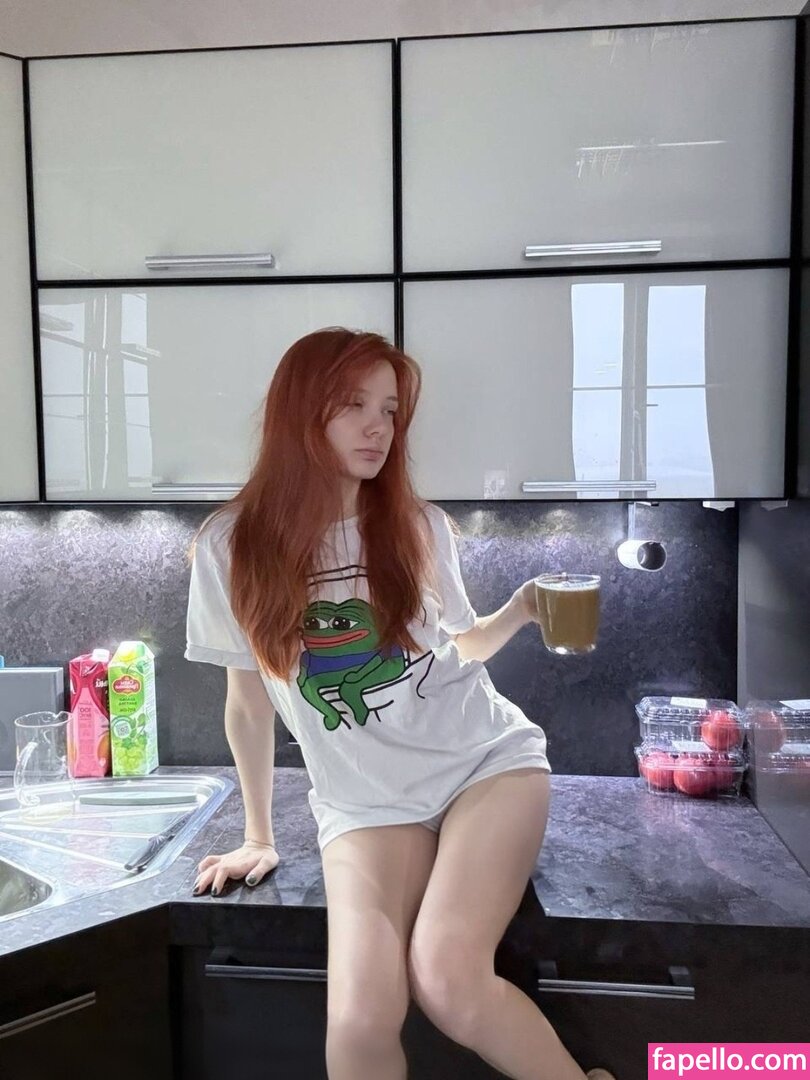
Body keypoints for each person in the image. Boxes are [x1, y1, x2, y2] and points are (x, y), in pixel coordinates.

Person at [184, 327, 616, 1080]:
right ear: (300, 413)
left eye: (388, 409)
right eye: (353, 405)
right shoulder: (230, 545)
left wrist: (519, 610)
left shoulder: (417, 526)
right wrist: (257, 835)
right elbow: (247, 701)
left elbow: (460, 647)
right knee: (359, 1022)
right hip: (365, 800)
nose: (378, 427)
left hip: (483, 767)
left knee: (449, 980)